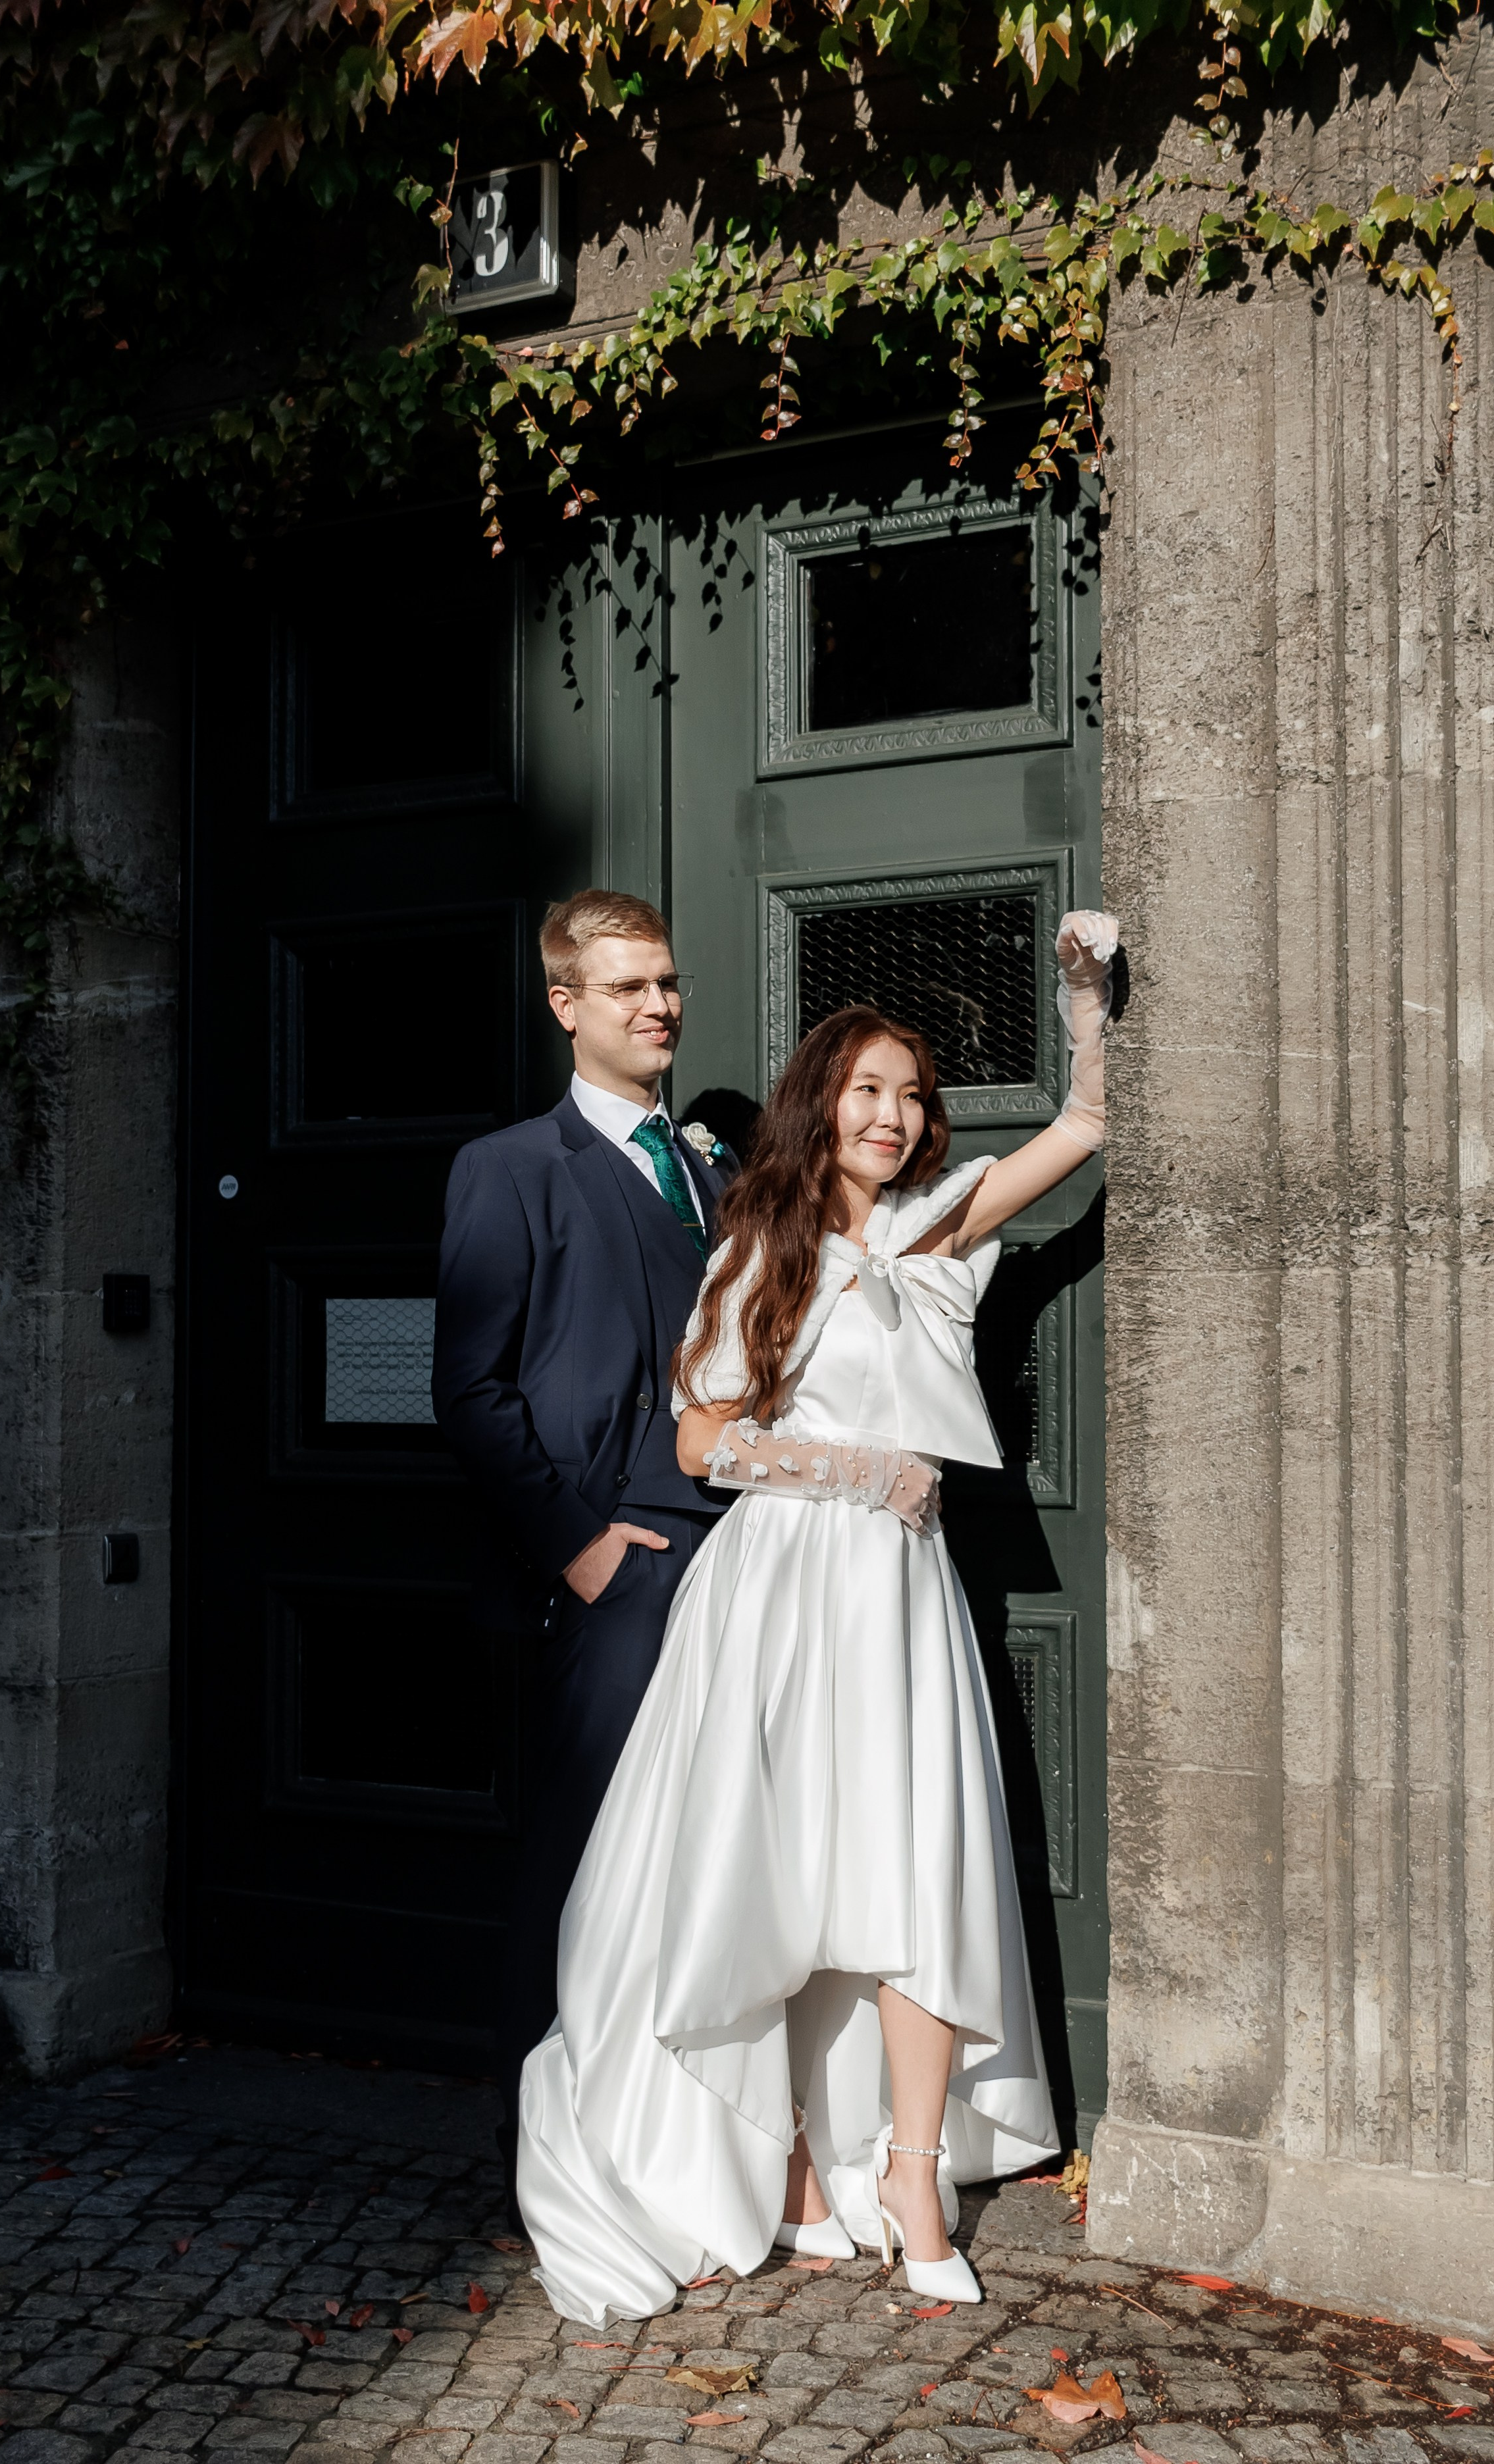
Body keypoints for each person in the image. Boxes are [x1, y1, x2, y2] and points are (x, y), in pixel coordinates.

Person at [515, 911, 1118, 2328]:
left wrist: (1083, 995)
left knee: (917, 1880)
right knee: (776, 1876)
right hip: (779, 1594)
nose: (895, 1118)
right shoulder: (757, 1247)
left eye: (913, 1097)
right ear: (819, 1104)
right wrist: (851, 1467)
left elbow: (1085, 1126)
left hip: (899, 1602)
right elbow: (704, 1437)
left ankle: (913, 2176)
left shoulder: (944, 1232)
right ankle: (788, 2164)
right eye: (868, 1092)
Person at [432, 890, 738, 2197]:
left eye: (666, 983)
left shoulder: (718, 1173)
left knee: (708, 1860)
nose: (660, 1006)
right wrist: (580, 1551)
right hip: (612, 1568)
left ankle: (675, 2144)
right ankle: (542, 2165)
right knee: (580, 1857)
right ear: (565, 1005)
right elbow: (470, 1389)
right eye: (628, 989)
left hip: (739, 1555)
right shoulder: (507, 1170)